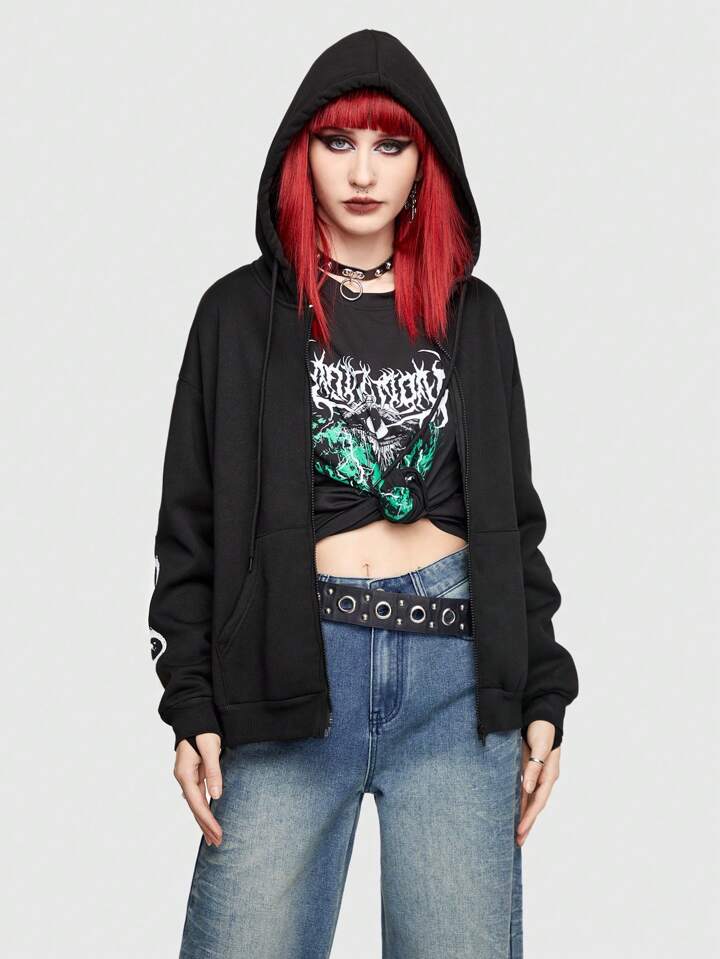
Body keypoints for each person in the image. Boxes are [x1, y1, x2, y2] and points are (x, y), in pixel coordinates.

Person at [149, 28, 579, 959]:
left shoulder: (474, 316)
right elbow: (189, 531)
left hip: (456, 684)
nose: (362, 171)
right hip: (287, 667)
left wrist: (544, 691)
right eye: (337, 141)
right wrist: (189, 704)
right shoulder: (236, 316)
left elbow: (514, 524)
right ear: (300, 154)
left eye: (391, 145)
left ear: (425, 166)